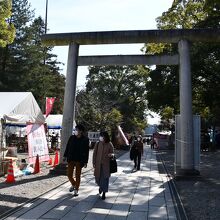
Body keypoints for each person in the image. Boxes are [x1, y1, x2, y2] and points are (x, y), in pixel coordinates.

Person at [63, 124, 89, 196]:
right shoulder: (71, 138)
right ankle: (74, 184)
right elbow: (67, 147)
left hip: (79, 160)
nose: (75, 131)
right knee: (69, 174)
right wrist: (65, 156)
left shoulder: (85, 140)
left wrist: (86, 161)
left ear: (81, 131)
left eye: (77, 129)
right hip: (71, 158)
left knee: (78, 175)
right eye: (75, 129)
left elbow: (86, 151)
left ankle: (76, 189)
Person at [93, 131, 114, 200]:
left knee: (105, 179)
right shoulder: (98, 143)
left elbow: (112, 153)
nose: (101, 137)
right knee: (97, 178)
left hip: (106, 165)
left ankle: (104, 193)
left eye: (102, 136)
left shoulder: (109, 144)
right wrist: (93, 162)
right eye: (100, 136)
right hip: (98, 164)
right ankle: (101, 187)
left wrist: (111, 155)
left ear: (105, 137)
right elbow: (94, 153)